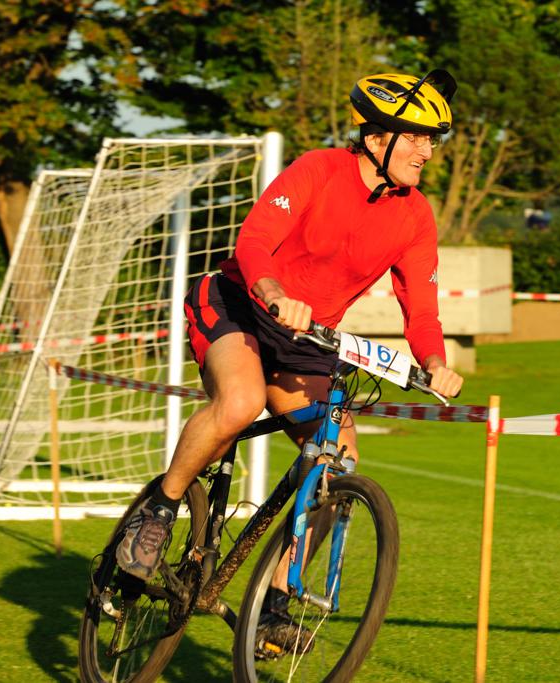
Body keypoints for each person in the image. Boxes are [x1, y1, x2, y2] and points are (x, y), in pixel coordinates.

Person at [115, 68, 464, 634]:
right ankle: (158, 511)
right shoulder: (319, 169)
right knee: (239, 402)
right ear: (377, 137)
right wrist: (274, 291)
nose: (427, 151)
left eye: (432, 140)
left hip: (307, 337)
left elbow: (420, 308)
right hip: (240, 302)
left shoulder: (414, 214)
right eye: (418, 137)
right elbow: (254, 240)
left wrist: (436, 362)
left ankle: (275, 601)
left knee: (337, 459)